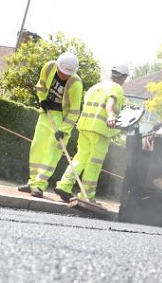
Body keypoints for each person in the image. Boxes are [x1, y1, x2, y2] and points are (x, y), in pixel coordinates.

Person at [54, 65, 129, 203]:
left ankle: (64, 185)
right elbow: (110, 102)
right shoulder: (116, 88)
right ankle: (87, 195)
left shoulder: (96, 86)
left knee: (80, 158)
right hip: (99, 131)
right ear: (123, 77)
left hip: (85, 126)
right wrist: (111, 116)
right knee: (94, 163)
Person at [18, 52, 83, 198]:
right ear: (58, 66)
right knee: (37, 147)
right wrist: (42, 100)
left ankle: (39, 186)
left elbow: (74, 112)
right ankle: (32, 182)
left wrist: (63, 130)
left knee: (51, 153)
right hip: (46, 114)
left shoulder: (76, 84)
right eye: (61, 71)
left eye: (67, 74)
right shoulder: (49, 67)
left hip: (61, 119)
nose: (63, 75)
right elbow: (41, 86)